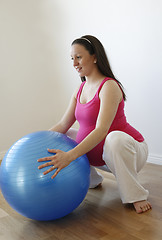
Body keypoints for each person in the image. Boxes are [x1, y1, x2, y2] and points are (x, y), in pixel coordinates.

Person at [38, 35, 152, 214]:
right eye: (72, 58)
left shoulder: (109, 86)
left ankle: (136, 195)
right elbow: (63, 124)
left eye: (79, 57)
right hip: (100, 157)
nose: (74, 63)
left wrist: (69, 156)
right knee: (62, 136)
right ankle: (92, 179)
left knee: (113, 138)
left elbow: (101, 130)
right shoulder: (80, 88)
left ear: (94, 57)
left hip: (129, 151)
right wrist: (36, 141)